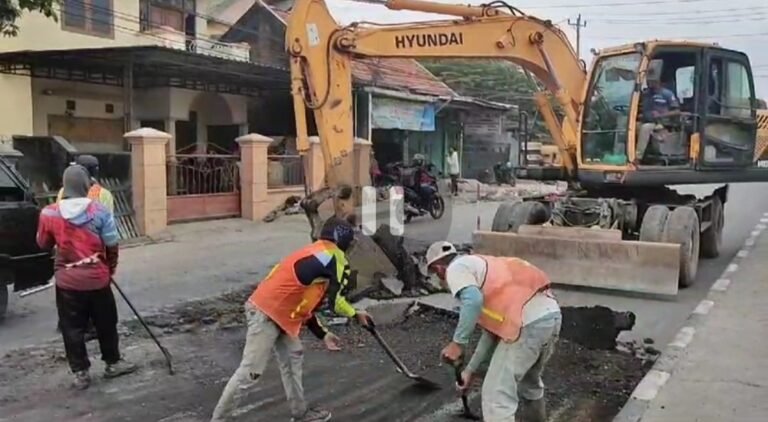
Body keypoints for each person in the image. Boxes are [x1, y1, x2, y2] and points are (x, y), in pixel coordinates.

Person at [211, 216, 372, 422]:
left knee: (293, 357)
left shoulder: (313, 252)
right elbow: (336, 302)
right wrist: (355, 313)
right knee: (250, 372)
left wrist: (323, 334)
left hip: (280, 314)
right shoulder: (335, 258)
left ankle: (300, 413)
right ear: (344, 240)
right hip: (267, 313)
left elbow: (306, 304)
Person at [425, 241, 562, 422]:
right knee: (530, 384)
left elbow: (472, 300)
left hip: (526, 324)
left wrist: (458, 343)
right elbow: (491, 334)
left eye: (437, 275)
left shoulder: (456, 268)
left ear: (439, 269)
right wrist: (470, 372)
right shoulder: (485, 267)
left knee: (496, 397)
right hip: (550, 317)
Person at [36, 165, 136, 390]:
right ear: (85, 185)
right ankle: (113, 364)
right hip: (97, 279)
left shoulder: (49, 213)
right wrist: (109, 269)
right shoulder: (100, 212)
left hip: (67, 282)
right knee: (106, 323)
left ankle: (81, 373)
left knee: (72, 328)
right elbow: (112, 245)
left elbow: (42, 244)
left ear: (65, 185)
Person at [636, 62, 681, 162]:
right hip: (647, 120)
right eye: (648, 81)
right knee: (631, 127)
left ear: (658, 81)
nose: (650, 84)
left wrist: (661, 114)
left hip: (661, 123)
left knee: (645, 128)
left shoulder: (667, 94)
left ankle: (637, 157)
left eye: (652, 82)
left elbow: (677, 111)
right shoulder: (646, 94)